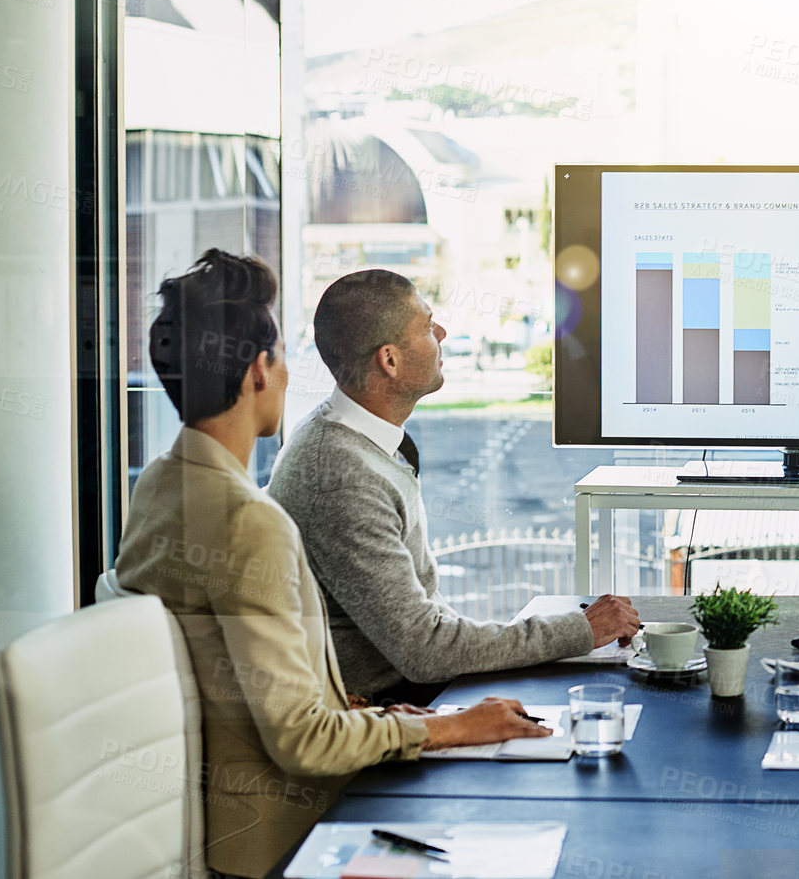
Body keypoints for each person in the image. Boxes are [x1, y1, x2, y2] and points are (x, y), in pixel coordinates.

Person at [116, 250, 548, 879]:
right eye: (284, 357)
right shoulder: (249, 523)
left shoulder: (159, 486)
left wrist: (368, 714)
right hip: (292, 827)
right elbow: (301, 740)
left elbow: (244, 686)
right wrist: (449, 730)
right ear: (260, 372)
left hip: (221, 812)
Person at [268, 268, 640, 705]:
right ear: (389, 360)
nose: (442, 332)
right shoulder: (339, 477)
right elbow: (425, 650)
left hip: (417, 694)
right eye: (427, 325)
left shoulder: (358, 442)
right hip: (395, 713)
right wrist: (581, 630)